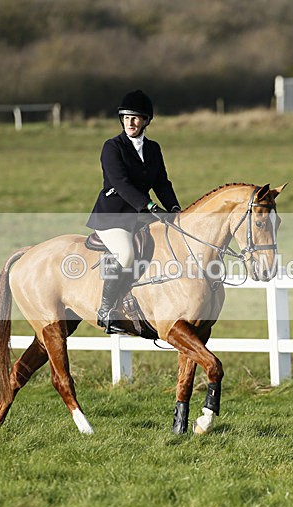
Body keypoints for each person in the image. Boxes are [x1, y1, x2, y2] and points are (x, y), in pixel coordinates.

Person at [86, 90, 182, 333]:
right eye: (126, 117)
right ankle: (106, 310)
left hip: (140, 217)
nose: (130, 122)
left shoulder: (153, 149)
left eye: (136, 117)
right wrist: (149, 206)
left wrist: (174, 208)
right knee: (127, 254)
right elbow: (120, 183)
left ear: (146, 121)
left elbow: (162, 182)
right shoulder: (112, 147)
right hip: (112, 217)